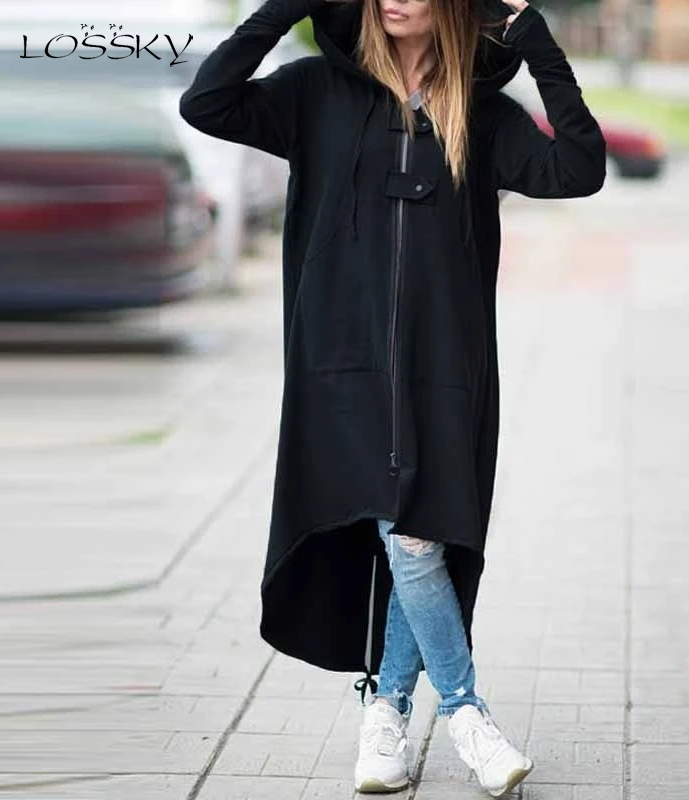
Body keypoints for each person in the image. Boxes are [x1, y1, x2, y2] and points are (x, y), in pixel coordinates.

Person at [179, 0, 605, 794]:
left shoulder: (481, 113)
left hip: (446, 364)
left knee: (421, 535)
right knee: (408, 539)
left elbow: (579, 169)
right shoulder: (313, 93)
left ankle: (386, 713)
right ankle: (466, 712)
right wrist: (281, 12)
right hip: (339, 361)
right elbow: (205, 102)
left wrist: (538, 44)